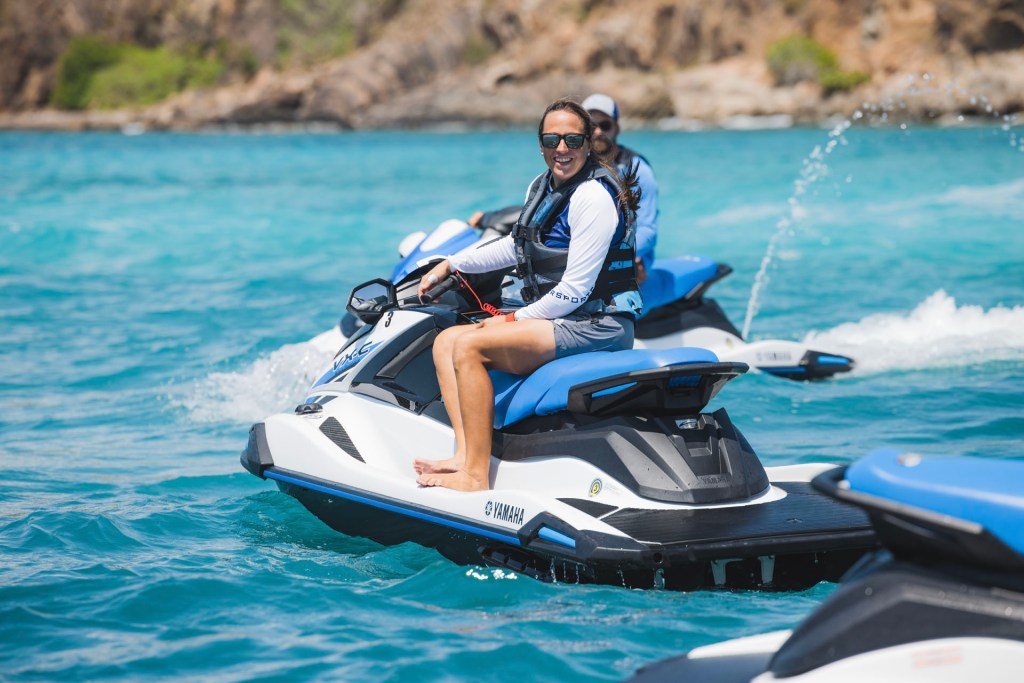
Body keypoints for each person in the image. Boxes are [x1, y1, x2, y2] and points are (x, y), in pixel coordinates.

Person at [412, 98, 643, 492]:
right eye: (552, 139)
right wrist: (452, 264)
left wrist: (512, 318)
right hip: (565, 319)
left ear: (588, 143)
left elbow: (574, 292)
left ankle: (475, 476)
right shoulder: (542, 187)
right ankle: (464, 455)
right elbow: (514, 248)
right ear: (540, 143)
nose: (562, 148)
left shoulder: (592, 197)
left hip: (597, 324)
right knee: (445, 341)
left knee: (469, 347)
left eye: (572, 139)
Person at [467, 93, 659, 283]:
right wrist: (489, 219)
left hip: (628, 260)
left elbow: (647, 230)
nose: (599, 131)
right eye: (593, 125)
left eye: (605, 125)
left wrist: (624, 255)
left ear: (617, 127)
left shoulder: (636, 170)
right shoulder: (567, 167)